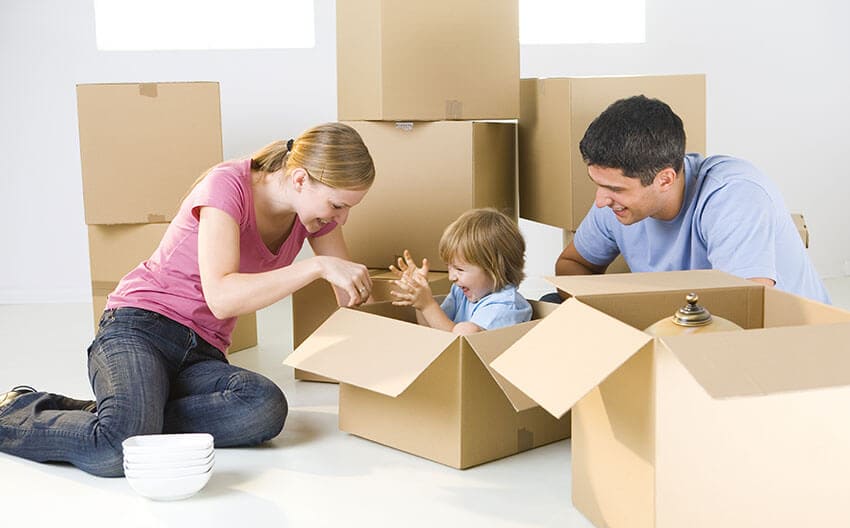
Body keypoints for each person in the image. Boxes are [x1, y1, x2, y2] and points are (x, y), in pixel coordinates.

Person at [0, 122, 376, 477]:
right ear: (299, 179)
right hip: (139, 327)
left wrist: (408, 302)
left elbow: (348, 294)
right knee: (116, 450)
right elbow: (222, 299)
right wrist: (316, 268)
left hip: (202, 352)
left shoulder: (314, 215)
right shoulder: (227, 185)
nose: (341, 219)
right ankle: (14, 412)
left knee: (263, 407)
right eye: (337, 205)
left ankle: (130, 414)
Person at [551, 95, 830, 304]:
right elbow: (572, 265)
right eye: (598, 184)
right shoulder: (614, 202)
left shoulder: (734, 196)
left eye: (616, 189)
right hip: (687, 323)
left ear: (665, 179)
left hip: (784, 340)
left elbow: (746, 309)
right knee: (552, 304)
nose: (601, 200)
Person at [390, 208, 532, 335]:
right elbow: (432, 329)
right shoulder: (462, 292)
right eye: (449, 267)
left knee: (467, 330)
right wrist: (420, 301)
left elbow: (461, 343)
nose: (451, 277)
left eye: (459, 269)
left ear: (495, 269)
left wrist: (428, 305)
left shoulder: (506, 305)